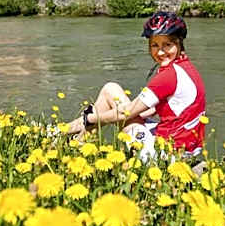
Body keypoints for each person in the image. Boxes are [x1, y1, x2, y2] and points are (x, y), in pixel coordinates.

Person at [65, 11, 206, 159]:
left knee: (115, 104)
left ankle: (71, 142)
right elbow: (151, 109)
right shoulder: (185, 67)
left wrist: (91, 118)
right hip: (187, 149)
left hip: (167, 154)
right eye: (154, 45)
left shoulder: (169, 75)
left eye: (167, 45)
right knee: (111, 89)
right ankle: (72, 138)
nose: (160, 52)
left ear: (179, 43)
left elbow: (125, 113)